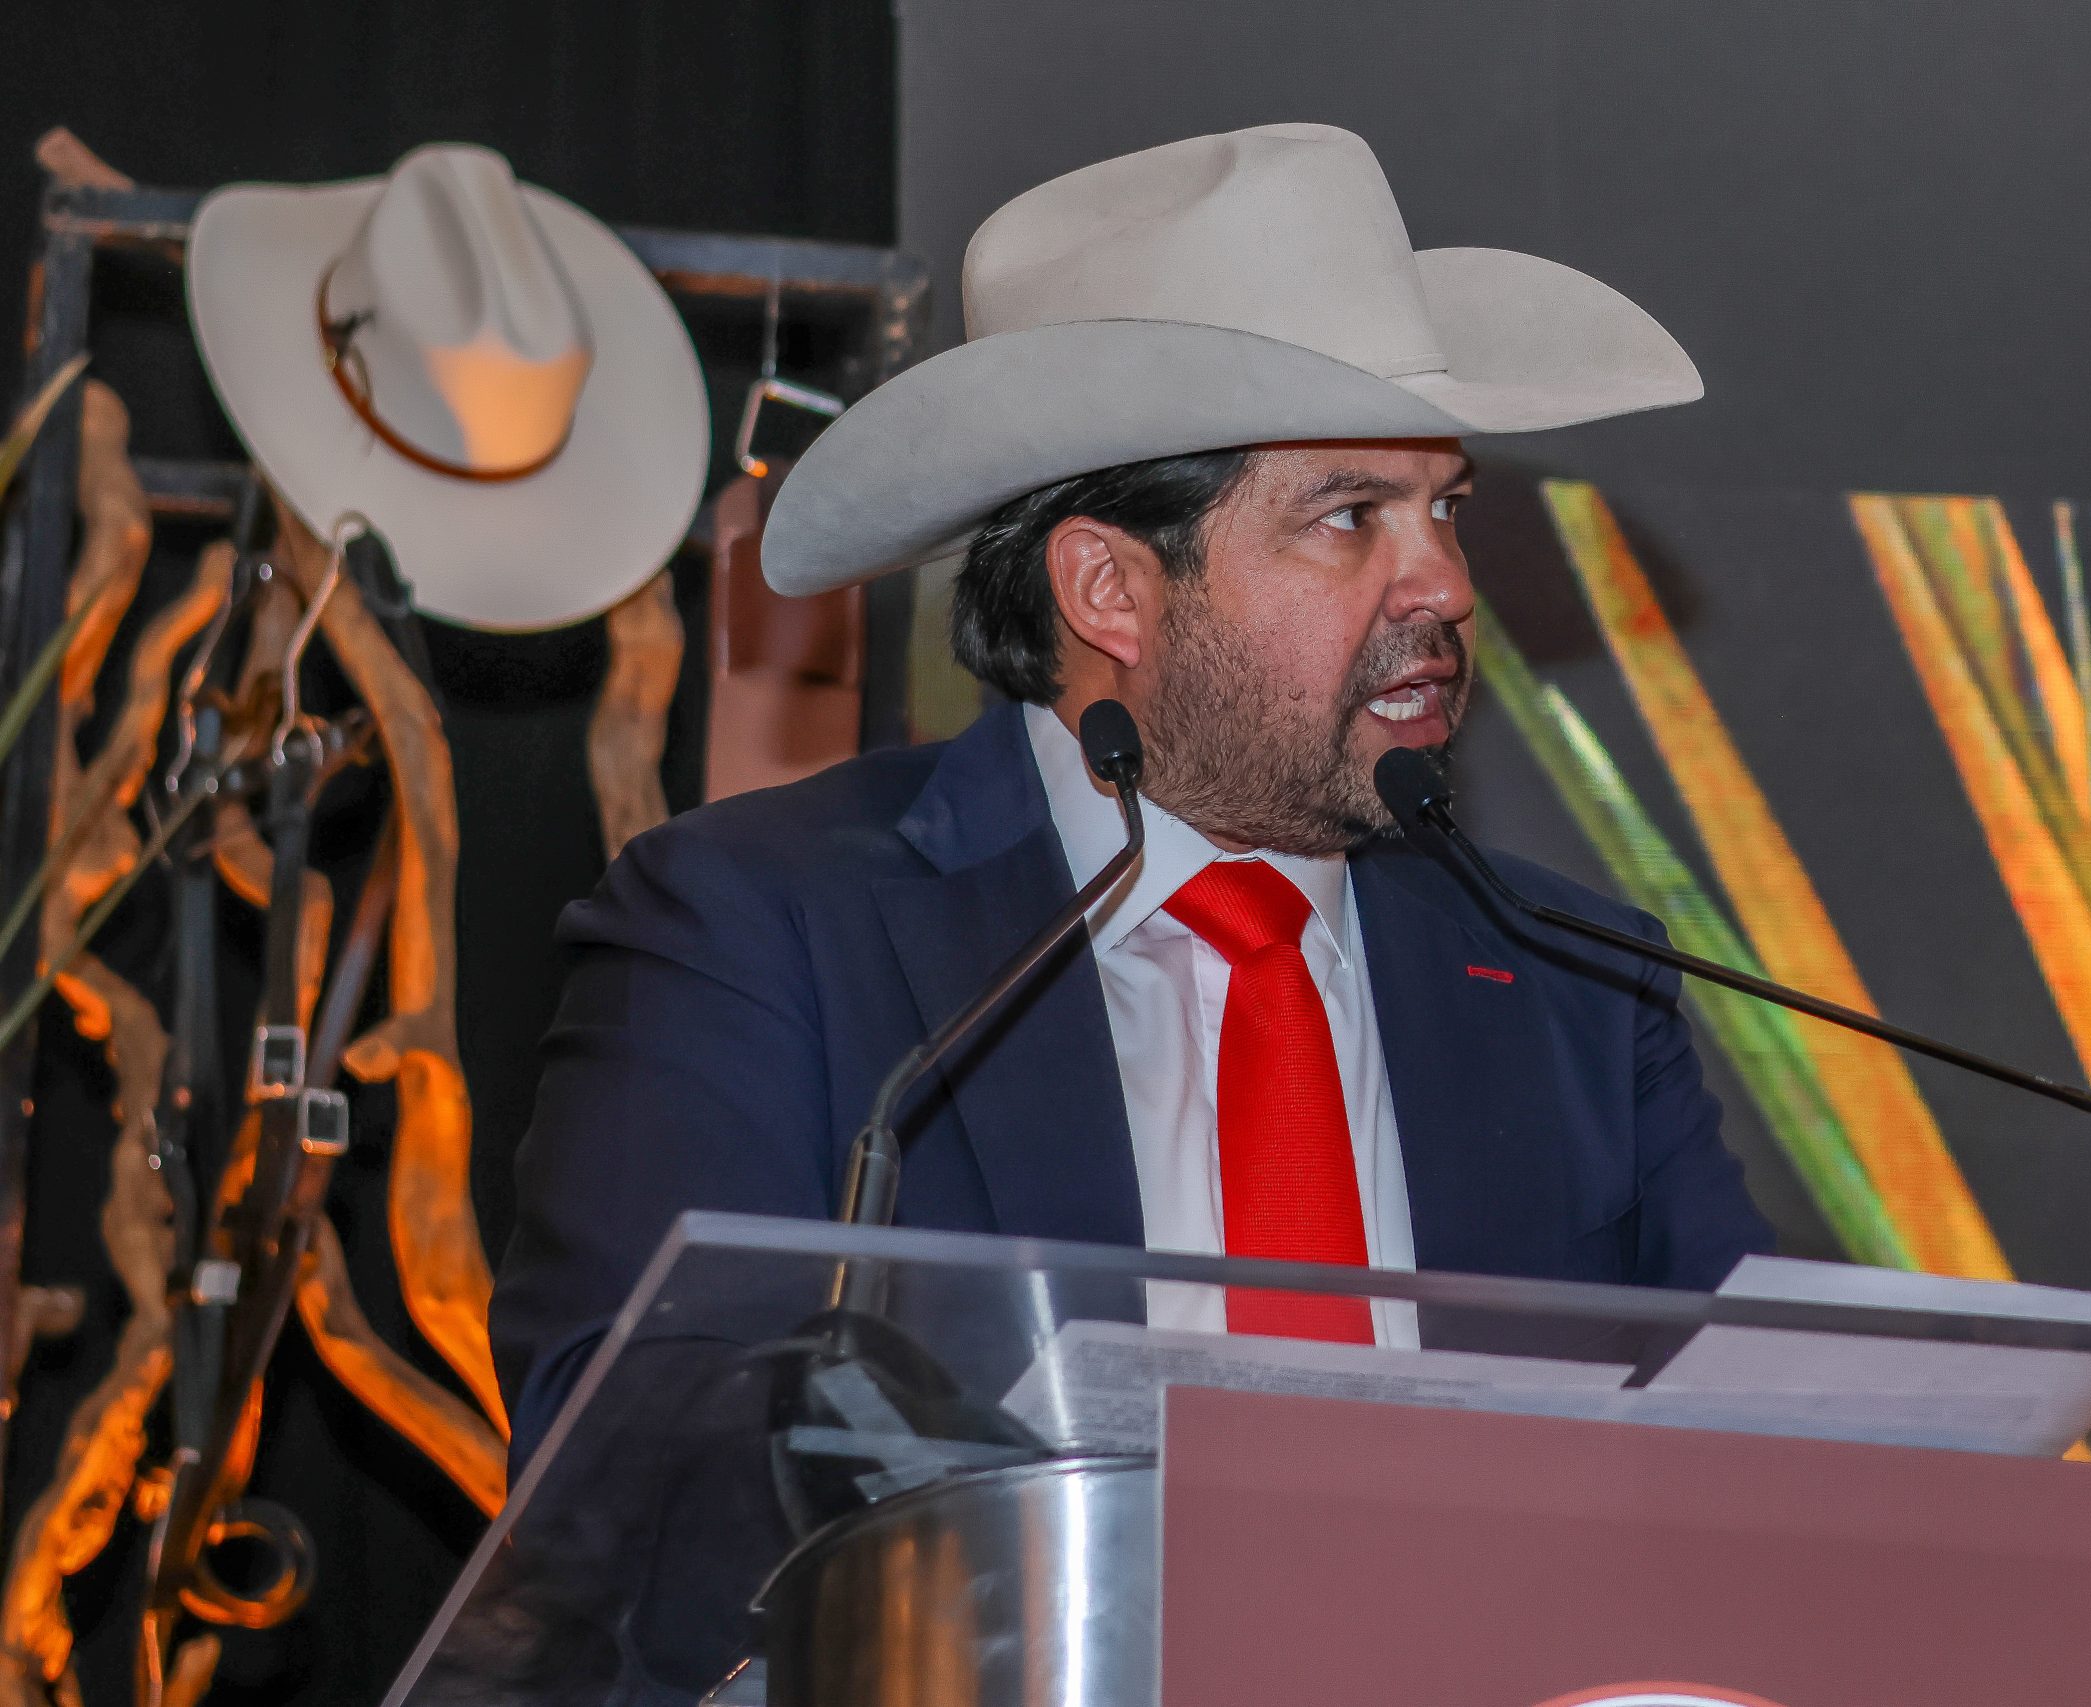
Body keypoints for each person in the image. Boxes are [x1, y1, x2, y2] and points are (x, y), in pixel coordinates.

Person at [490, 123, 1773, 1452]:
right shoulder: (762, 932)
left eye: (1444, 509)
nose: (1446, 586)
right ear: (1109, 589)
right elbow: (631, 1448)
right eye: (1350, 518)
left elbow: (1791, 1437)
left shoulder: (1578, 986)